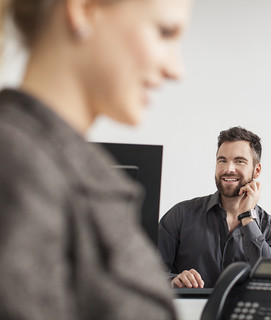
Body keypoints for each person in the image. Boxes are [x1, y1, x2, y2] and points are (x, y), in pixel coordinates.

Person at [0, 0, 191, 319]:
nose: (176, 69)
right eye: (165, 32)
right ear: (84, 10)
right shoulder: (18, 167)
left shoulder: (58, 167)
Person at [158, 127, 271, 288]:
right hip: (189, 312)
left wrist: (247, 217)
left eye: (239, 161)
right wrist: (172, 281)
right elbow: (147, 273)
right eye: (222, 160)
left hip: (242, 313)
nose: (228, 169)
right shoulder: (180, 215)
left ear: (257, 170)